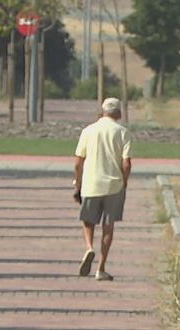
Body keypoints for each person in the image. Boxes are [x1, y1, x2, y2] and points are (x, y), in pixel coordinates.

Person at [72, 98, 132, 281]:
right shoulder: (123, 133)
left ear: (102, 112)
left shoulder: (88, 131)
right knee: (108, 226)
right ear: (119, 114)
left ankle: (89, 247)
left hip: (91, 183)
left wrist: (78, 183)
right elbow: (126, 162)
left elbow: (78, 162)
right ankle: (101, 268)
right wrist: (124, 181)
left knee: (88, 221)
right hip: (114, 185)